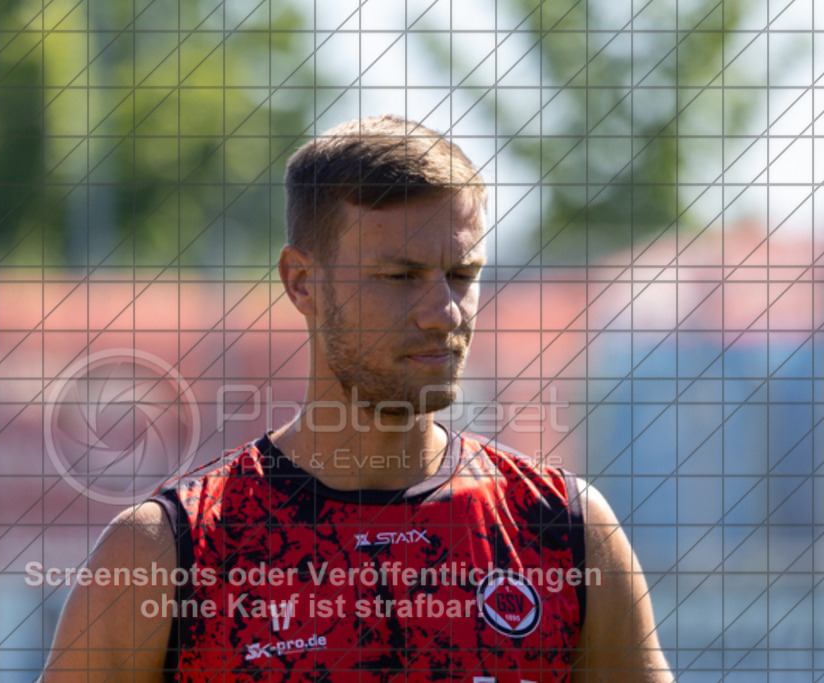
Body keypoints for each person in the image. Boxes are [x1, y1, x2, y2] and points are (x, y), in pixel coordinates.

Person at [38, 115, 673, 681]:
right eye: (400, 277)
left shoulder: (562, 530)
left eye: (463, 276)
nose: (444, 312)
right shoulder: (170, 551)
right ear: (302, 281)